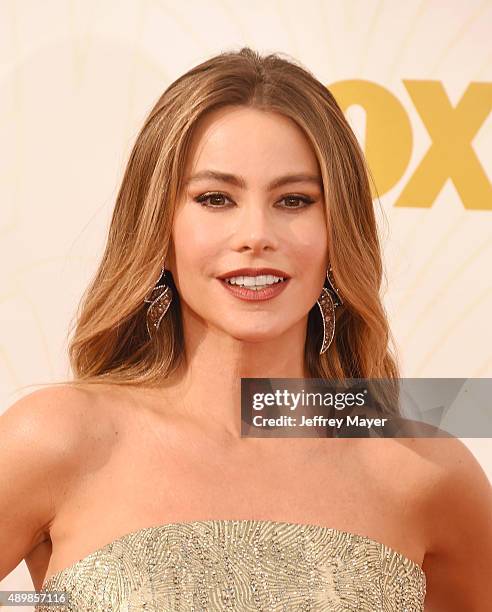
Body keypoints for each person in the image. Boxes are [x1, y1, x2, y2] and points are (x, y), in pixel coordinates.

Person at [1, 47, 491, 611]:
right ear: (161, 227)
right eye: (215, 198)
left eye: (293, 200)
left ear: (338, 232)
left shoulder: (425, 470)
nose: (255, 233)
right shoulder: (57, 439)